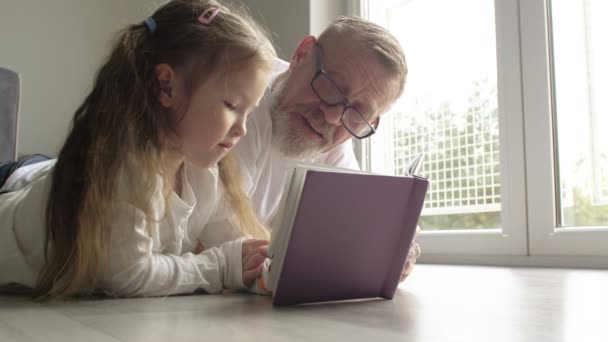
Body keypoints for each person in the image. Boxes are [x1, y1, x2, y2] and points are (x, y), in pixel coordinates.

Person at [0, 0, 276, 300]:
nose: (243, 129)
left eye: (249, 112)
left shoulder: (202, 168)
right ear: (166, 86)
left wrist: (267, 265)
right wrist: (219, 267)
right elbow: (128, 274)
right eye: (232, 106)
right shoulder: (125, 165)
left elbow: (240, 247)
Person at [233, 16, 421, 288]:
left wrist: (393, 249)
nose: (333, 117)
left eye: (357, 113)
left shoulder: (338, 136)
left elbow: (356, 224)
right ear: (301, 55)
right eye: (330, 86)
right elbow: (228, 245)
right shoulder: (242, 100)